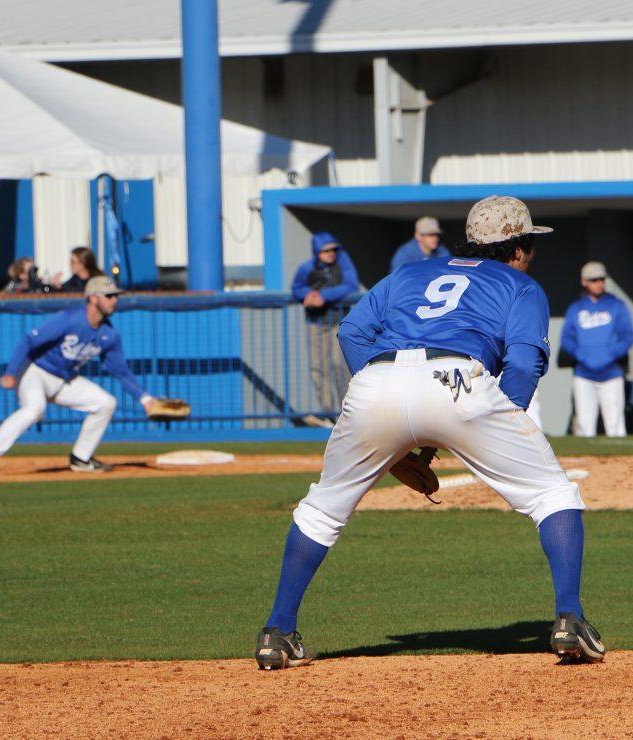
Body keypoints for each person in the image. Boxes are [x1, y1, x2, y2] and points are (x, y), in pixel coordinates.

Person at [255, 196, 604, 669]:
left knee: (322, 508)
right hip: (458, 380)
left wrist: (390, 416)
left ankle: (277, 632)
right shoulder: (520, 286)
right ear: (518, 247)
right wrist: (495, 420)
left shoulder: (409, 272)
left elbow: (352, 332)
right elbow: (523, 362)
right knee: (552, 495)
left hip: (377, 381)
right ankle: (570, 619)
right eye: (530, 245)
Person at [0, 277, 160, 476]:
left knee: (106, 403)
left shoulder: (109, 335)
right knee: (34, 409)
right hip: (35, 372)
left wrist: (145, 399)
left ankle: (81, 458)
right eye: (109, 296)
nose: (114, 300)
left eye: (116, 296)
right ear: (93, 298)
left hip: (65, 380)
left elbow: (121, 371)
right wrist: (11, 372)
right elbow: (29, 340)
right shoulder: (70, 319)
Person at [291, 232, 360, 426]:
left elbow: (351, 285)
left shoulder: (342, 262)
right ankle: (330, 413)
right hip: (316, 322)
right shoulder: (307, 268)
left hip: (339, 321)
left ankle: (348, 411)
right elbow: (296, 288)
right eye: (326, 250)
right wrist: (309, 293)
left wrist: (324, 296)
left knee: (341, 365)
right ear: (317, 251)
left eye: (333, 249)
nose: (331, 253)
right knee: (318, 367)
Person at [560, 262, 633, 437]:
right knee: (585, 427)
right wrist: (582, 355)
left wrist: (609, 355)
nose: (599, 283)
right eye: (594, 280)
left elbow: (627, 336)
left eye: (601, 279)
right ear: (584, 281)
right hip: (583, 374)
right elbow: (566, 339)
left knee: (615, 426)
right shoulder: (576, 308)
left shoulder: (617, 305)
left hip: (611, 374)